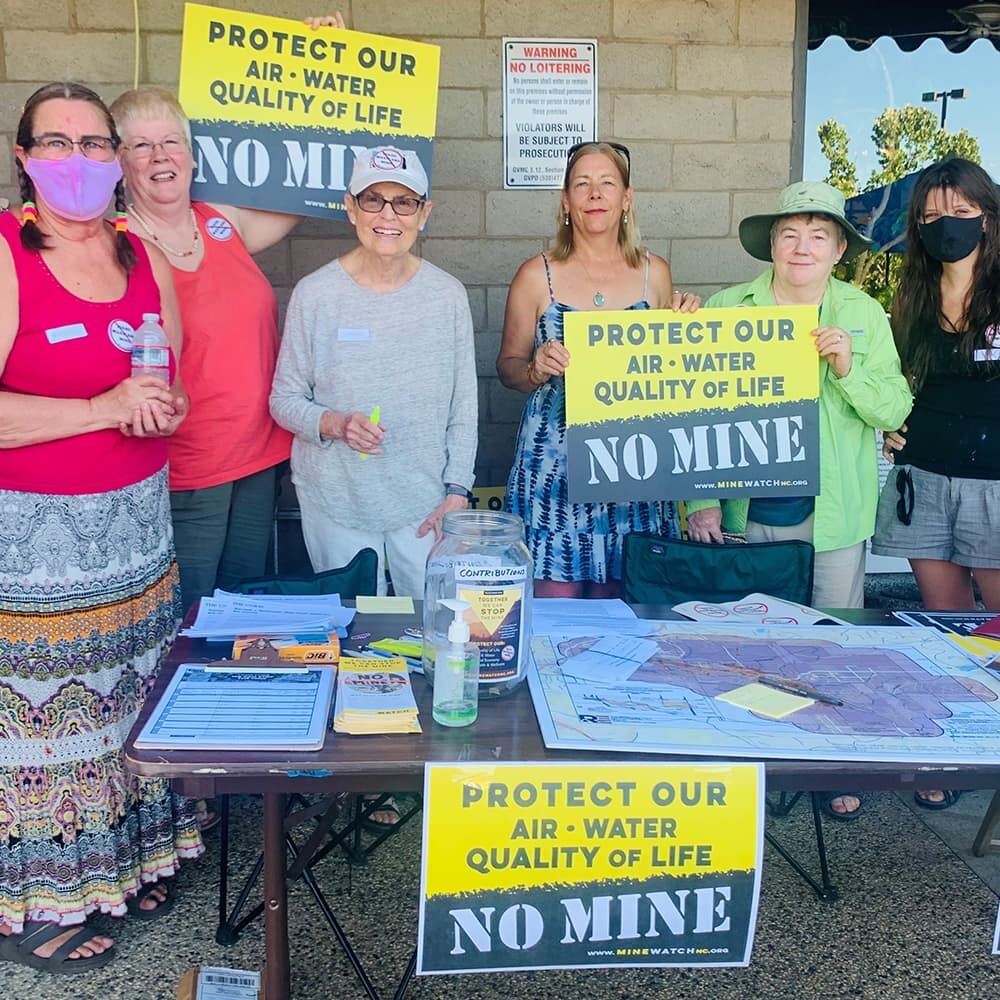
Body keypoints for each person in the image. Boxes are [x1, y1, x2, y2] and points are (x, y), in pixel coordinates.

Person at [0, 82, 201, 973]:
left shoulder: (137, 252)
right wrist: (98, 406)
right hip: (37, 546)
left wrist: (158, 407)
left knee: (128, 704)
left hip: (136, 532)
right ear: (23, 158)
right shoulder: (7, 254)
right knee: (46, 726)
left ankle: (125, 864)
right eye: (57, 144)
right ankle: (37, 906)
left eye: (94, 144)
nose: (77, 162)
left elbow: (172, 381)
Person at [684, 181, 912, 820]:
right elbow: (689, 412)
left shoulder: (864, 314)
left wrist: (847, 367)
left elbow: (894, 407)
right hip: (744, 507)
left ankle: (827, 762)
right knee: (744, 640)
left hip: (831, 510)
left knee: (831, 639)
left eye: (818, 235)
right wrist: (695, 500)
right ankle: (748, 761)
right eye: (790, 234)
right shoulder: (727, 307)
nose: (802, 246)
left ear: (839, 248)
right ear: (772, 247)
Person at [109, 14, 345, 617]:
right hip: (188, 459)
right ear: (120, 161)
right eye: (141, 144)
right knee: (189, 614)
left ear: (191, 153)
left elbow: (305, 187)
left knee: (244, 609)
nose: (161, 156)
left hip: (260, 450)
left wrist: (316, 62)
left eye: (172, 141)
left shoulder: (222, 221)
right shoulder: (116, 244)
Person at [269, 145, 477, 601]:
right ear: (350, 208)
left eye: (404, 202)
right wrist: (335, 424)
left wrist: (457, 491)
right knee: (354, 631)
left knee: (430, 630)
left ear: (424, 214)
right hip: (335, 499)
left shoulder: (447, 296)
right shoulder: (316, 294)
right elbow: (283, 399)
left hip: (425, 504)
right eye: (373, 199)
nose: (388, 215)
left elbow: (464, 405)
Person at [497, 141, 698, 597]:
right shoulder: (536, 274)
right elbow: (506, 367)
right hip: (555, 463)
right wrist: (535, 368)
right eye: (582, 184)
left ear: (627, 199)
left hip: (635, 461)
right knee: (553, 607)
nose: (595, 194)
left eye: (607, 183)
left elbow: (672, 373)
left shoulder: (655, 273)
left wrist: (688, 328)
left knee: (623, 608)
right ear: (565, 201)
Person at [873, 158, 1000, 811]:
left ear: (987, 213)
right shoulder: (912, 293)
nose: (943, 226)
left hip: (995, 480)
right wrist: (891, 426)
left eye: (957, 211)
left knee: (997, 624)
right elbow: (900, 382)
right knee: (946, 625)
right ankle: (950, 752)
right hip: (924, 472)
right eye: (928, 217)